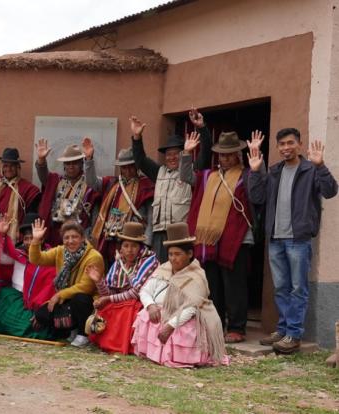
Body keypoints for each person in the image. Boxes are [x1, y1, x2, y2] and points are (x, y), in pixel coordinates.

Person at [248, 128, 338, 353]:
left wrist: (320, 166)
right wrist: (256, 172)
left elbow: (330, 191)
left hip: (298, 239)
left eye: (290, 143)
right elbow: (257, 198)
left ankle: (294, 334)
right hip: (276, 238)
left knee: (298, 288)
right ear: (277, 147)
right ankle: (284, 329)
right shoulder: (274, 171)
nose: (286, 148)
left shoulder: (310, 169)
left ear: (299, 145)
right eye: (282, 144)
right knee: (281, 288)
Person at [182, 130, 256, 343]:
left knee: (235, 286)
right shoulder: (207, 177)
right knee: (213, 285)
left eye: (230, 154)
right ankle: (215, 325)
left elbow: (258, 196)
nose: (225, 158)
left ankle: (237, 327)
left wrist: (257, 168)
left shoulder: (246, 176)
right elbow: (186, 177)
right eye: (222, 155)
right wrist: (187, 154)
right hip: (208, 242)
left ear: (237, 155)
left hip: (235, 240)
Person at [131, 223, 228, 367]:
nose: (173, 259)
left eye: (178, 254)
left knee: (180, 328)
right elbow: (145, 291)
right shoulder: (163, 270)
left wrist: (171, 325)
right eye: (170, 254)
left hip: (183, 318)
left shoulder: (196, 275)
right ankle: (152, 351)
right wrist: (150, 306)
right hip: (163, 313)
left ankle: (182, 355)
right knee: (145, 315)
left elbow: (192, 307)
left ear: (189, 254)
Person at [130, 109, 211, 262]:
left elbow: (206, 153)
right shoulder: (158, 171)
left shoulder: (192, 170)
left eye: (176, 153)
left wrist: (202, 127)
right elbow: (140, 160)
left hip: (181, 232)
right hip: (160, 232)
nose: (172, 157)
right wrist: (137, 137)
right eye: (168, 154)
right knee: (161, 272)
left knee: (179, 271)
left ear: (184, 153)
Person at [29, 218, 103, 347]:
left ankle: (83, 334)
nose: (70, 241)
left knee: (80, 298)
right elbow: (37, 259)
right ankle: (72, 328)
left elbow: (86, 287)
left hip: (90, 302)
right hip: (67, 300)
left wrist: (59, 295)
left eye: (74, 237)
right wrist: (36, 241)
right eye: (66, 238)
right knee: (41, 315)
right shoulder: (60, 251)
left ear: (82, 238)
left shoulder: (94, 257)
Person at [86, 222, 158, 354]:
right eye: (126, 246)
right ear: (121, 248)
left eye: (134, 246)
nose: (130, 250)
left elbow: (137, 292)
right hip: (120, 301)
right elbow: (108, 292)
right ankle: (105, 342)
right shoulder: (119, 262)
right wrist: (99, 281)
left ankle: (122, 345)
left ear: (140, 247)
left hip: (139, 302)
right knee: (104, 306)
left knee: (127, 308)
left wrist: (108, 298)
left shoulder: (148, 261)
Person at [0, 213, 56, 339]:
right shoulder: (18, 255)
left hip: (38, 305)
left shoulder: (50, 258)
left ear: (41, 238)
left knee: (34, 325)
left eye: (33, 238)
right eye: (26, 239)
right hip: (16, 301)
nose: (29, 242)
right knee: (4, 295)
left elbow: (50, 288)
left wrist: (41, 309)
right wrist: (2, 235)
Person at [85, 143, 154, 262]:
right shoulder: (112, 183)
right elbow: (92, 182)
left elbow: (151, 217)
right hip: (108, 238)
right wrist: (89, 160)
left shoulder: (146, 185)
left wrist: (147, 243)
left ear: (137, 166)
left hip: (132, 241)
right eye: (124, 167)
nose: (127, 170)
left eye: (131, 166)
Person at [35, 138, 96, 245]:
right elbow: (44, 176)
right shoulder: (56, 180)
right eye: (68, 163)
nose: (71, 166)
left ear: (81, 164)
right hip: (55, 233)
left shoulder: (89, 184)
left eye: (75, 163)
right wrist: (41, 160)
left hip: (77, 235)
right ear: (64, 165)